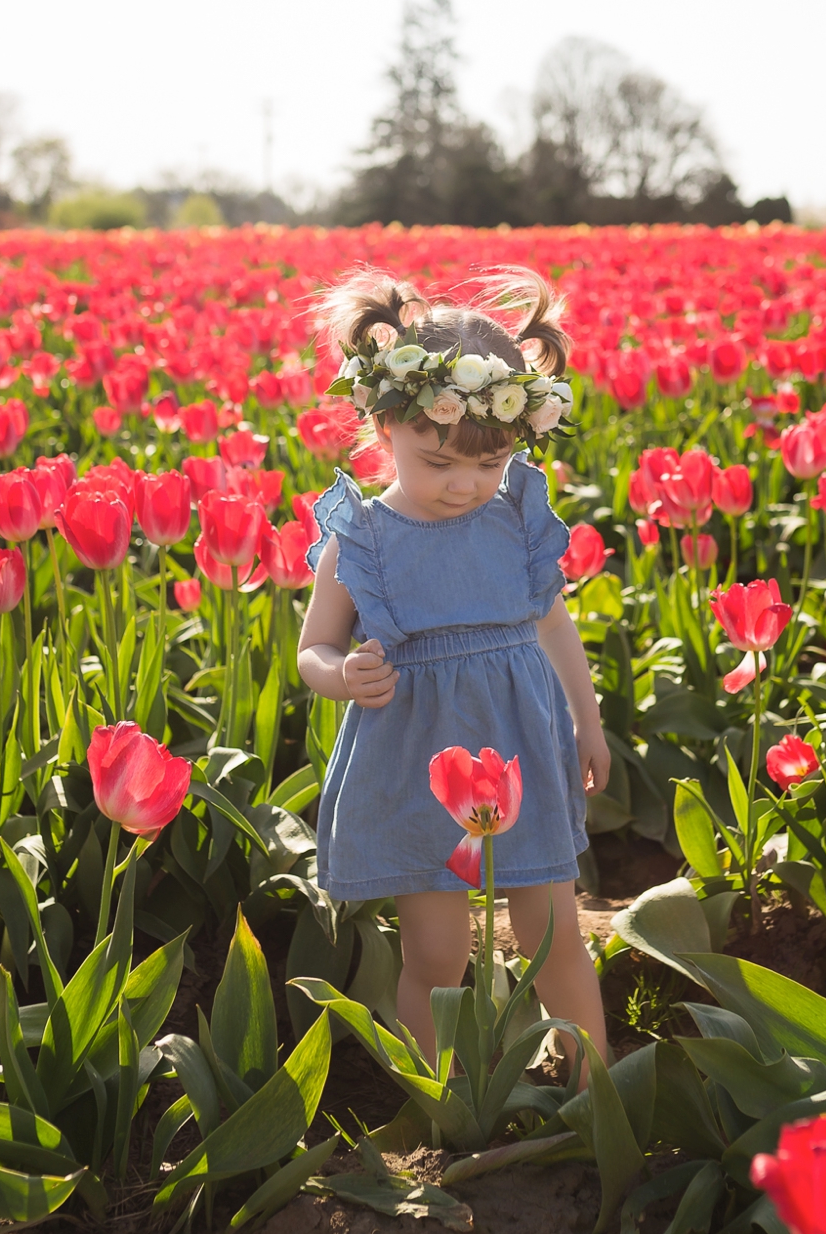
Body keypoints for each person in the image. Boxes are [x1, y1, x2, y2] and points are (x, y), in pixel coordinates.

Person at [296, 267, 613, 1085]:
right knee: (437, 953)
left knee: (555, 936)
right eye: (437, 461)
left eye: (491, 462)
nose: (466, 483)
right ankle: (441, 1096)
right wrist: (346, 674)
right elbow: (313, 650)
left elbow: (552, 621)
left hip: (522, 752)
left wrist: (588, 718)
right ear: (383, 423)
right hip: (416, 757)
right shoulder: (358, 539)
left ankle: (593, 1088)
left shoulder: (514, 518)